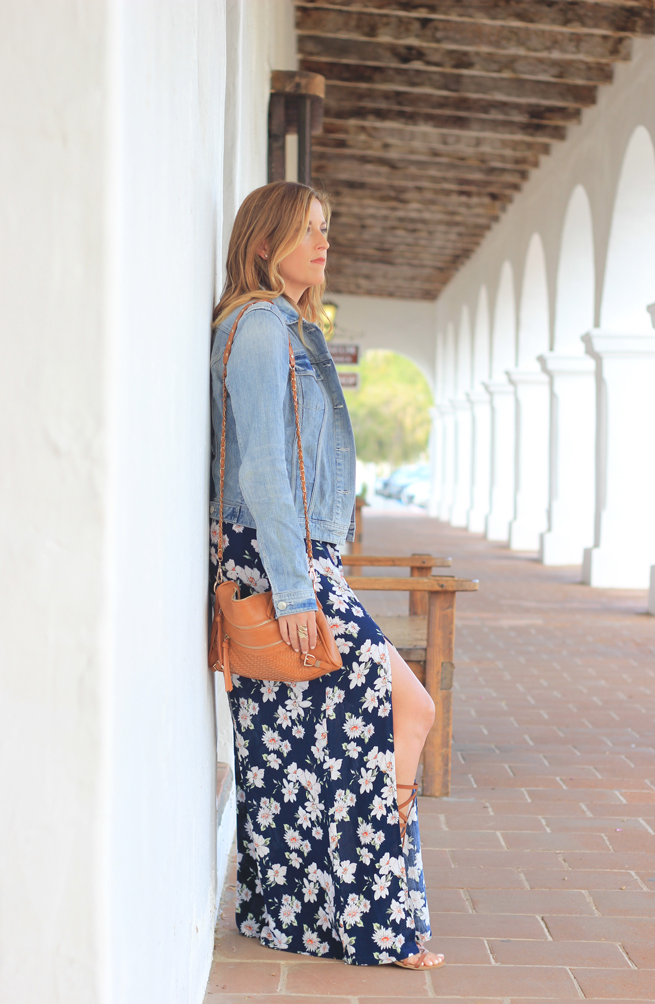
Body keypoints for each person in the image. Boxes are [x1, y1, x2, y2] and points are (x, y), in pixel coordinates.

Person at [209, 180, 444, 969]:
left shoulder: (285, 325)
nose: (323, 242)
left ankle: (296, 916)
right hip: (277, 559)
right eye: (307, 230)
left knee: (293, 746)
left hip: (294, 554)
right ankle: (380, 921)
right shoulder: (258, 328)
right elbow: (264, 469)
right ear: (263, 242)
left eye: (325, 230)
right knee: (400, 711)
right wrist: (297, 587)